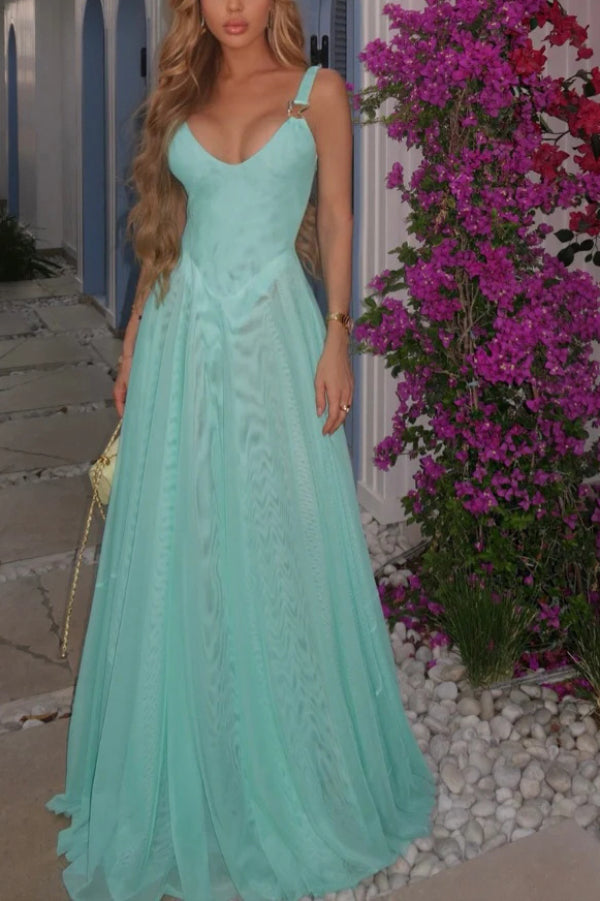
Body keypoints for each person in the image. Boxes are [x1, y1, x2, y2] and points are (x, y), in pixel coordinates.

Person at [45, 1, 435, 899]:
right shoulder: (180, 90)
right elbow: (163, 226)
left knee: (277, 535)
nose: (232, 7)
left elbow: (336, 216)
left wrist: (338, 335)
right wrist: (134, 338)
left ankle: (289, 754)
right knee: (183, 539)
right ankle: (192, 748)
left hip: (272, 334)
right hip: (180, 333)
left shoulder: (318, 93)